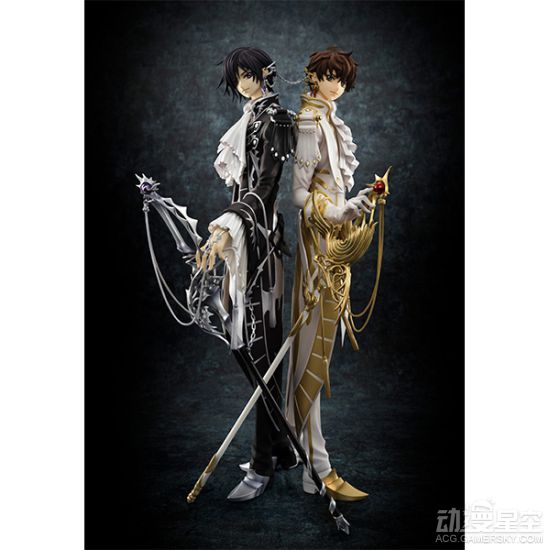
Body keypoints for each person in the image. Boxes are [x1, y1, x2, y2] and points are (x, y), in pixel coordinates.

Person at [197, 47, 297, 502]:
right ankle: (282, 447)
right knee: (240, 339)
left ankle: (261, 464)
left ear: (265, 74)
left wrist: (227, 227)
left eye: (248, 74)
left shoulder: (276, 120)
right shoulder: (249, 118)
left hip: (261, 244)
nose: (242, 83)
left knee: (261, 351)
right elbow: (244, 184)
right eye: (236, 76)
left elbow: (266, 187)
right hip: (243, 238)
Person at [285, 47, 373, 501]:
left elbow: (337, 188)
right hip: (317, 243)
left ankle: (306, 460)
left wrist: (357, 205)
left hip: (336, 243)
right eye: (328, 76)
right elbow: (300, 194)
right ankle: (315, 465)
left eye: (341, 79)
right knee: (311, 348)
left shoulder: (334, 122)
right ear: (313, 77)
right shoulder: (308, 124)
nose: (335, 84)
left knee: (324, 345)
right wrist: (337, 212)